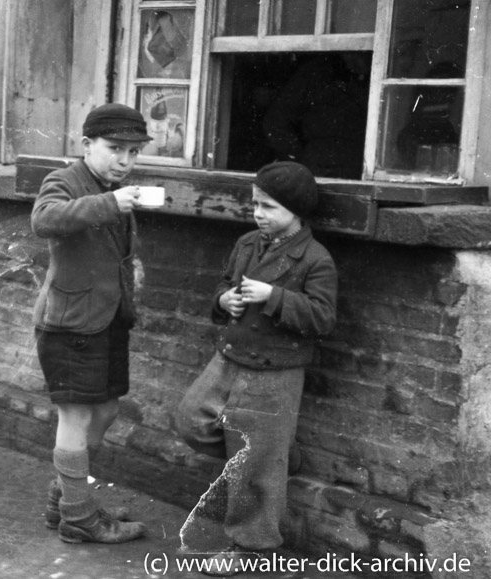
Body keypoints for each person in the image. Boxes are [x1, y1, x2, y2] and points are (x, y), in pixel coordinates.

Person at [175, 161, 337, 575]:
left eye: (269, 207)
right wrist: (223, 300)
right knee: (191, 420)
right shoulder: (248, 243)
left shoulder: (315, 259)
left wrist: (274, 297)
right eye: (256, 205)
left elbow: (322, 318)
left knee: (255, 464)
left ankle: (254, 548)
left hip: (275, 370)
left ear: (296, 213)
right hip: (231, 355)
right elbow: (223, 283)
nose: (259, 214)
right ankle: (277, 453)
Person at [31, 103, 151, 544]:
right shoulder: (65, 180)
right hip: (70, 322)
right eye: (115, 148)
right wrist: (109, 203)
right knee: (77, 414)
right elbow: (43, 220)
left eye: (134, 152)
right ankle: (79, 520)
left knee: (106, 409)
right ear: (86, 145)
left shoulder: (109, 186)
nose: (125, 160)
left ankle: (66, 498)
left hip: (105, 318)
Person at [262, 53, 371, 179]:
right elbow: (275, 122)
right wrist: (300, 161)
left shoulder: (378, 73)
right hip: (319, 172)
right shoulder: (316, 73)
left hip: (360, 174)